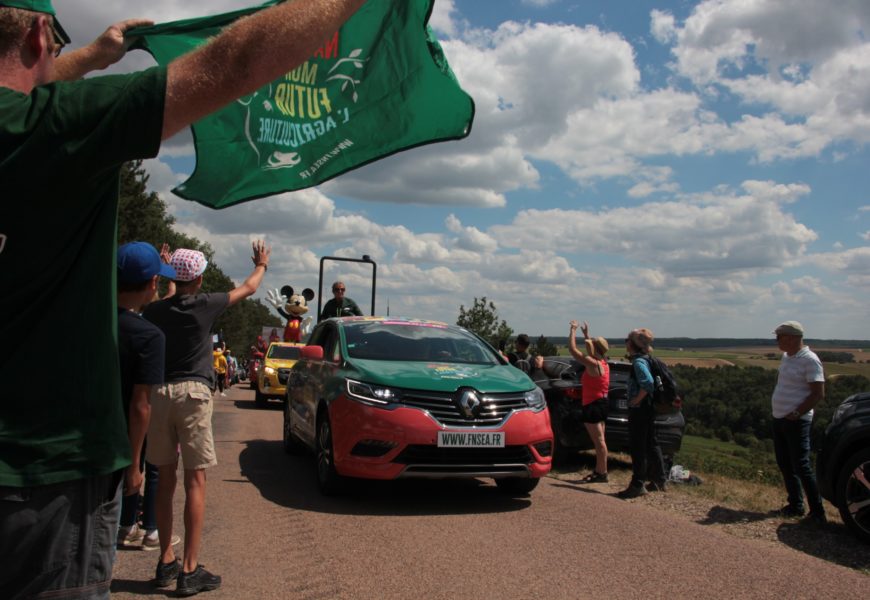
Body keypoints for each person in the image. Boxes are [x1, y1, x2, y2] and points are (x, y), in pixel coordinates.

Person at [0, 0, 365, 597]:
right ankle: (183, 562)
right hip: (47, 469)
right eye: (62, 44)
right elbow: (235, 59)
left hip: (99, 439)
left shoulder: (161, 311)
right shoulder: (59, 127)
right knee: (188, 478)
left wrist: (90, 57)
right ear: (41, 35)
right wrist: (260, 269)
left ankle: (167, 551)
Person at [143, 241, 270, 594]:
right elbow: (249, 288)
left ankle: (165, 559)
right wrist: (261, 264)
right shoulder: (206, 304)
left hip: (160, 393)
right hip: (193, 394)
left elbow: (170, 298)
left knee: (163, 480)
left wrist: (167, 273)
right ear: (198, 278)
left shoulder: (155, 311)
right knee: (194, 482)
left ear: (175, 277)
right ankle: (189, 569)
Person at [115, 242, 181, 552]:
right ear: (152, 283)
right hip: (130, 438)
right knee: (151, 469)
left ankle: (128, 526)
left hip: (91, 432)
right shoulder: (149, 336)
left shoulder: (94, 321)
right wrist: (133, 465)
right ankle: (150, 530)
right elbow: (140, 406)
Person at [770, 320, 826, 523]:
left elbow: (818, 394)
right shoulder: (787, 357)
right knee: (785, 464)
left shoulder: (810, 360)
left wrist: (797, 412)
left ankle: (817, 512)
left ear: (792, 338)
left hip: (796, 421)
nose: (777, 341)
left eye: (780, 337)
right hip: (779, 417)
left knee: (801, 465)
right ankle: (795, 505)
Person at [618, 328, 667, 499]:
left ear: (632, 344)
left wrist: (635, 401)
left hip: (640, 410)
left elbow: (648, 384)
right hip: (648, 408)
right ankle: (659, 479)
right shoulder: (648, 359)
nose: (625, 342)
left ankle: (638, 484)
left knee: (638, 447)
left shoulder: (639, 362)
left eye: (627, 339)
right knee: (651, 442)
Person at [567, 320, 610, 483]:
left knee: (598, 441)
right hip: (601, 403)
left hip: (593, 405)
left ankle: (602, 472)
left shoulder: (593, 364)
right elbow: (594, 350)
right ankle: (600, 471)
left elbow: (573, 350)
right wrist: (586, 335)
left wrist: (573, 330)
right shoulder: (604, 363)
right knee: (601, 441)